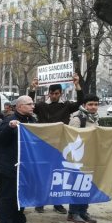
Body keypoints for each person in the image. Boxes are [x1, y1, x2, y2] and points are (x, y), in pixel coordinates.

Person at [29, 73, 84, 214]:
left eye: (57, 93)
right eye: (52, 93)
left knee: (59, 174)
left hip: (61, 146)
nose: (54, 96)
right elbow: (30, 105)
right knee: (44, 174)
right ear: (48, 93)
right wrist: (33, 88)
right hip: (44, 145)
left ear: (60, 93)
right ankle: (40, 201)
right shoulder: (41, 106)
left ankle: (57, 203)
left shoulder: (66, 106)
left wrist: (77, 85)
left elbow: (80, 102)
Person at [0, 95, 38, 223]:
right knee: (7, 197)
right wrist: (9, 128)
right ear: (20, 107)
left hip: (25, 167)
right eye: (29, 104)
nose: (33, 106)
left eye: (33, 104)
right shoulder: (9, 120)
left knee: (21, 197)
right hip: (10, 166)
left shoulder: (32, 120)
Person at [67, 95, 101, 223]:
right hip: (78, 159)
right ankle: (73, 212)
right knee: (78, 185)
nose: (93, 107)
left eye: (96, 104)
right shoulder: (77, 119)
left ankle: (83, 211)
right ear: (85, 105)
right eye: (91, 104)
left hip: (90, 157)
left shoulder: (95, 118)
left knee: (87, 185)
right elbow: (72, 138)